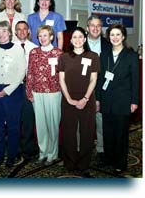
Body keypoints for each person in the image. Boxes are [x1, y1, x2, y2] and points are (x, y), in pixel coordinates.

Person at [96, 24, 139, 174]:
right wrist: (97, 99)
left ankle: (120, 162)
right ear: (109, 37)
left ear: (123, 37)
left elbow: (135, 81)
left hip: (123, 101)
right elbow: (100, 79)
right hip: (106, 100)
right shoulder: (104, 55)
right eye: (112, 35)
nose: (115, 37)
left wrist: (134, 101)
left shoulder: (131, 56)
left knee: (121, 134)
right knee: (108, 132)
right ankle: (109, 159)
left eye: (118, 35)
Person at [58, 27, 99, 177]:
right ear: (70, 40)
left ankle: (83, 164)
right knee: (68, 132)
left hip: (87, 99)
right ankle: (70, 162)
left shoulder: (93, 56)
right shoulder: (63, 57)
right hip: (68, 99)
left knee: (86, 133)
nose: (77, 40)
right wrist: (68, 98)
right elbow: (61, 79)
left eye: (80, 36)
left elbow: (93, 79)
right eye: (74, 37)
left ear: (85, 38)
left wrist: (85, 99)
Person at [0, 20, 26, 167]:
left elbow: (21, 73)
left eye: (4, 31)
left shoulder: (18, 49)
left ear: (9, 33)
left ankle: (12, 156)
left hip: (13, 92)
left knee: (13, 126)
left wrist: (7, 91)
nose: (1, 34)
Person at [26, 25, 62, 165]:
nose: (42, 38)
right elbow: (29, 73)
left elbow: (63, 75)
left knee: (53, 124)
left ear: (51, 37)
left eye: (45, 35)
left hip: (54, 93)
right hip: (37, 93)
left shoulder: (59, 53)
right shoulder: (33, 52)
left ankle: (53, 154)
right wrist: (29, 92)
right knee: (40, 125)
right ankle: (43, 152)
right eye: (40, 35)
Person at [86, 14, 111, 166]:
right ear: (87, 28)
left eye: (98, 26)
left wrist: (100, 97)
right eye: (92, 26)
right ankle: (82, 150)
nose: (95, 29)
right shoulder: (79, 42)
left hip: (102, 89)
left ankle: (101, 150)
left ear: (101, 29)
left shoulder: (108, 45)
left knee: (101, 123)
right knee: (82, 124)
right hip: (82, 90)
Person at [14, 21, 39, 160]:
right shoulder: (10, 47)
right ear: (15, 32)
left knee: (29, 117)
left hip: (30, 86)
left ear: (29, 31)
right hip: (14, 87)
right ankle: (16, 146)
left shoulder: (35, 48)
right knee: (15, 118)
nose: (22, 32)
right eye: (19, 29)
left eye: (24, 29)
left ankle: (28, 147)